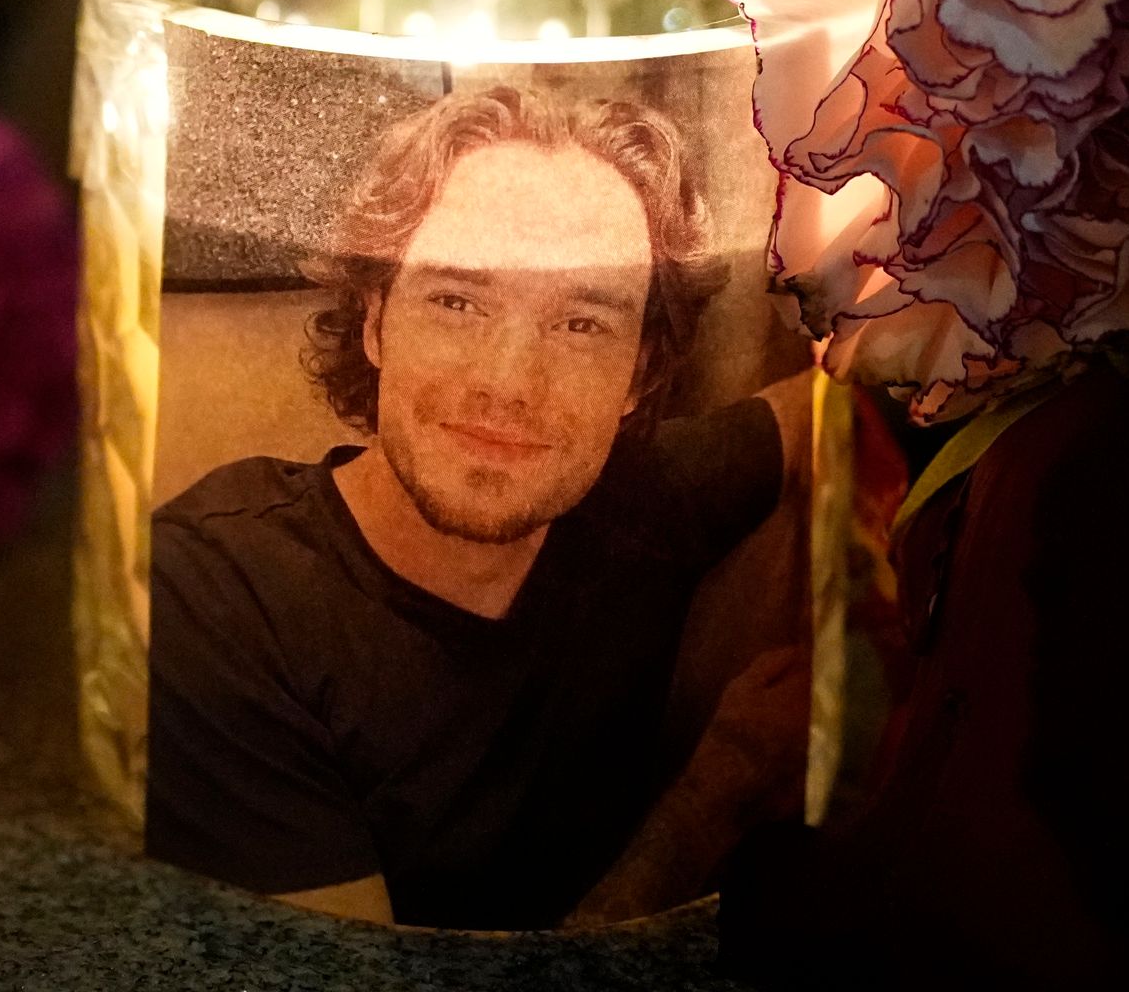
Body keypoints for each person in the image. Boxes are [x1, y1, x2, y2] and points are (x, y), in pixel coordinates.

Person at [145, 83, 802, 929]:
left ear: (637, 376)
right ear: (377, 322)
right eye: (458, 302)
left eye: (582, 324)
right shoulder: (212, 597)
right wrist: (723, 791)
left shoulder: (639, 499)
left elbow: (827, 404)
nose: (508, 383)